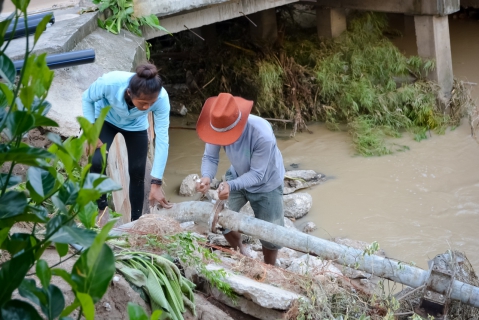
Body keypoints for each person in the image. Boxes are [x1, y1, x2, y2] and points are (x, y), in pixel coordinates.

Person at [195, 92, 285, 265]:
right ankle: (242, 252)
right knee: (220, 219)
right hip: (236, 174)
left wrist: (230, 185)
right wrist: (206, 177)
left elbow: (257, 174)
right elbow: (210, 158)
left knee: (270, 234)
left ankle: (269, 267)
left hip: (267, 183)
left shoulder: (262, 134)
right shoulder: (217, 123)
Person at [82, 63, 172, 224]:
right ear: (129, 93)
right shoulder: (110, 83)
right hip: (106, 119)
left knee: (137, 171)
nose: (147, 107)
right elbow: (87, 98)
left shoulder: (162, 98)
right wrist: (90, 131)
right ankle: (100, 209)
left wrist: (156, 182)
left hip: (136, 126)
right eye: (143, 102)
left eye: (151, 103)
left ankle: (135, 221)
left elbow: (163, 138)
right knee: (96, 161)